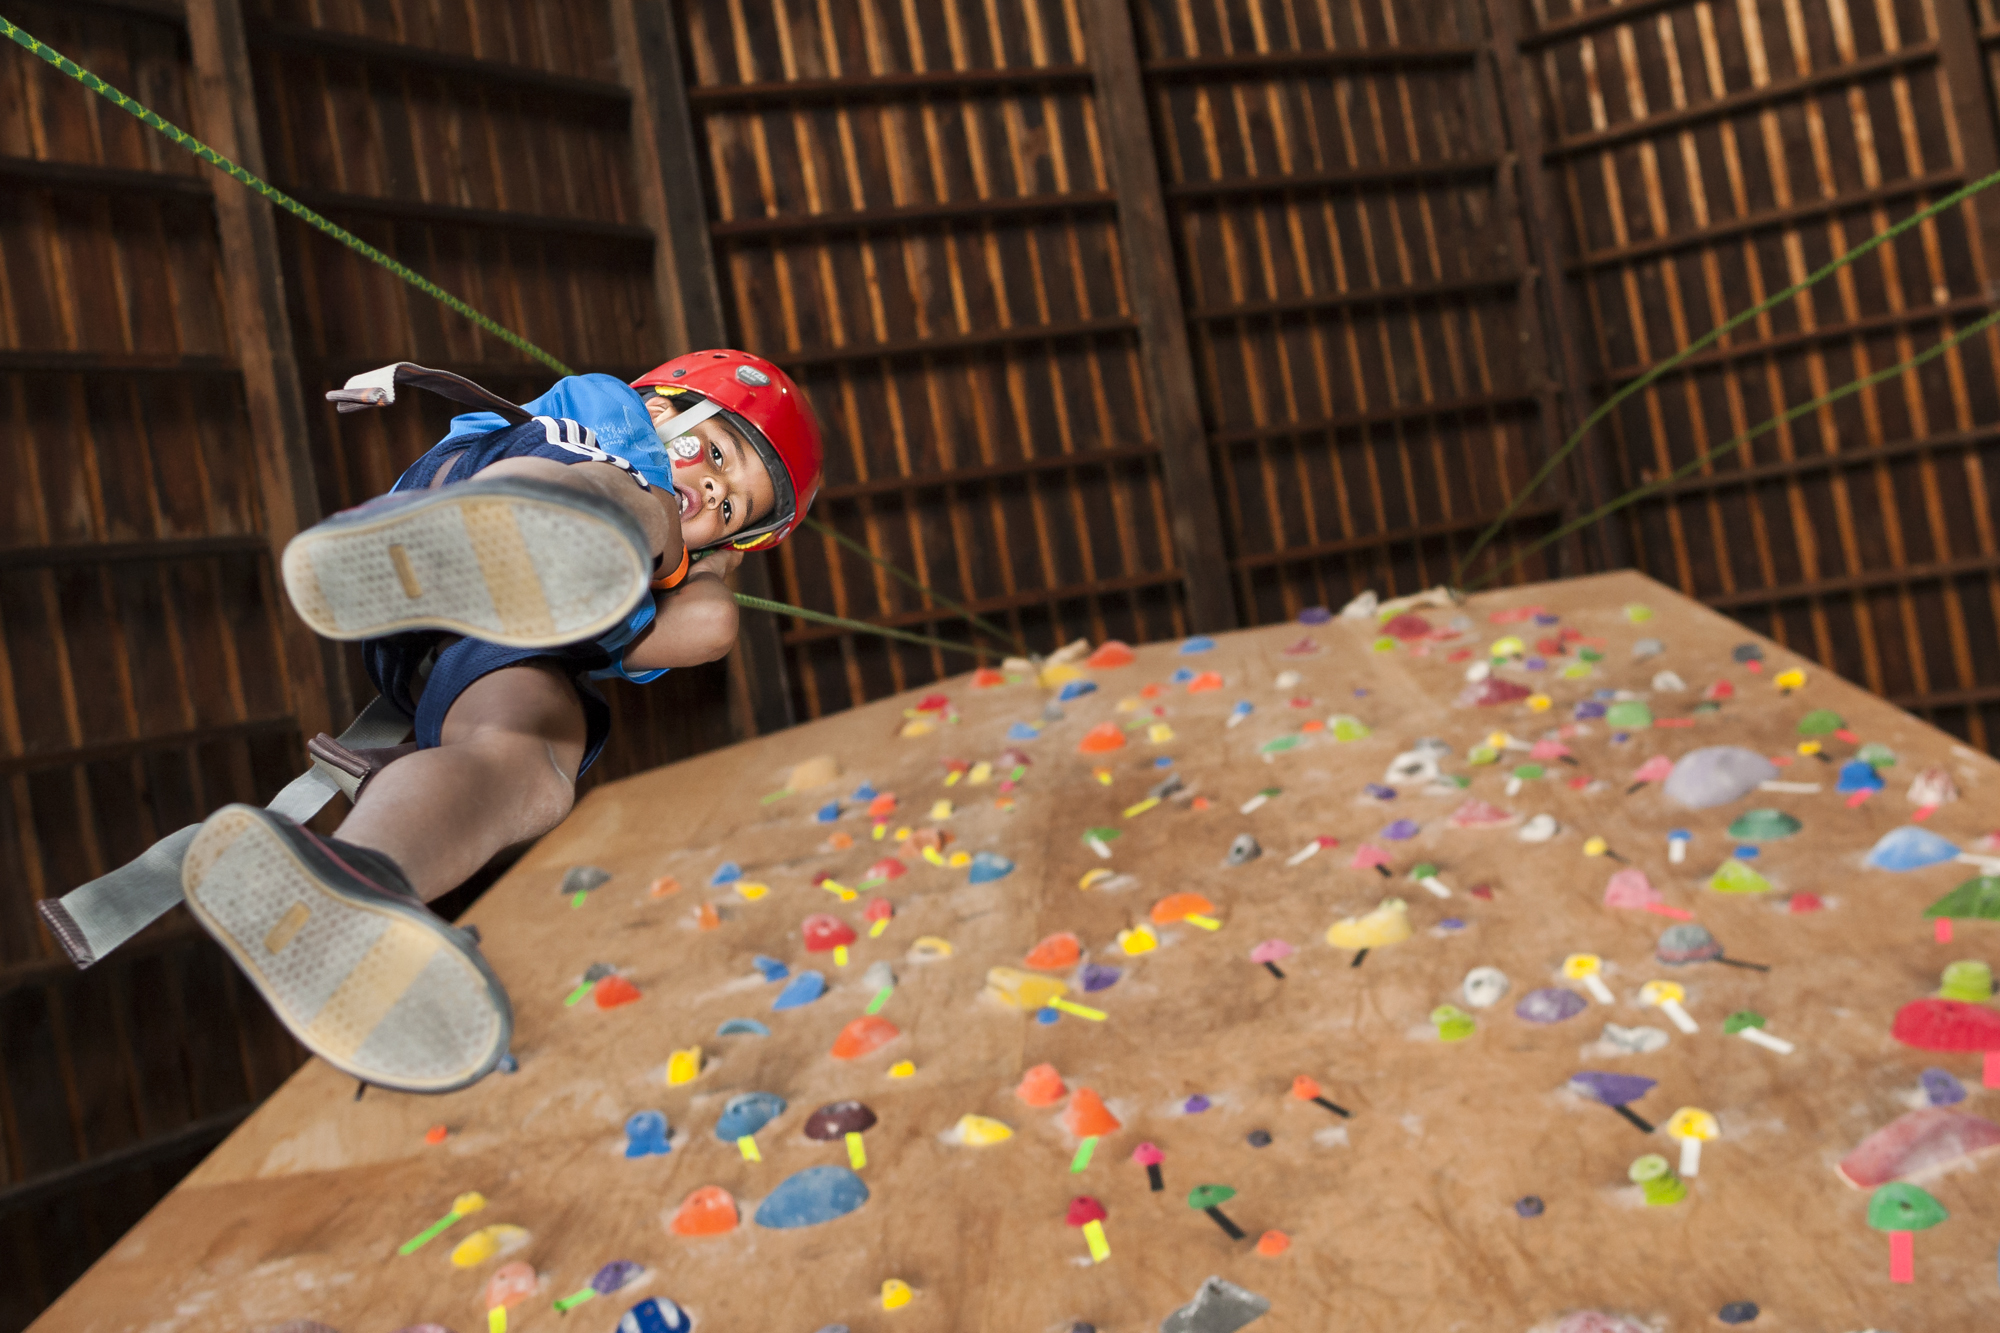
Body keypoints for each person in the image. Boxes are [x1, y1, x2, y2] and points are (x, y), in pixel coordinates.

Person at [174, 351, 822, 1095]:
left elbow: (704, 625)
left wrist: (707, 568)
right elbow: (630, 482)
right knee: (632, 504)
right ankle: (456, 540)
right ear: (666, 405)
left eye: (732, 505)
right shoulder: (611, 416)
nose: (711, 488)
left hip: (457, 651)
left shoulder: (668, 571)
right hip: (485, 501)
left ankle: (355, 878)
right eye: (716, 455)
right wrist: (672, 528)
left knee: (538, 769)